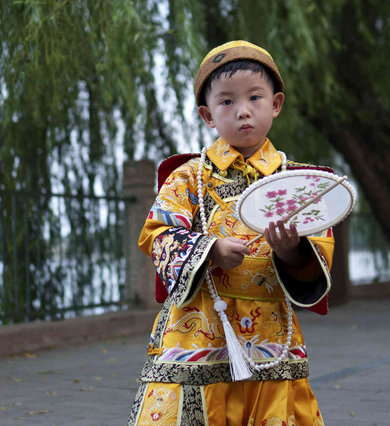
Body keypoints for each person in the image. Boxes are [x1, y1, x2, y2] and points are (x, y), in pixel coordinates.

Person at [128, 41, 334, 425]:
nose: (242, 111)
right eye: (226, 102)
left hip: (272, 329)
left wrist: (292, 252)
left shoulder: (299, 183)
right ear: (208, 115)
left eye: (255, 97)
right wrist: (209, 249)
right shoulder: (187, 178)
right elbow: (158, 233)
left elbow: (319, 253)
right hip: (197, 327)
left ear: (275, 104)